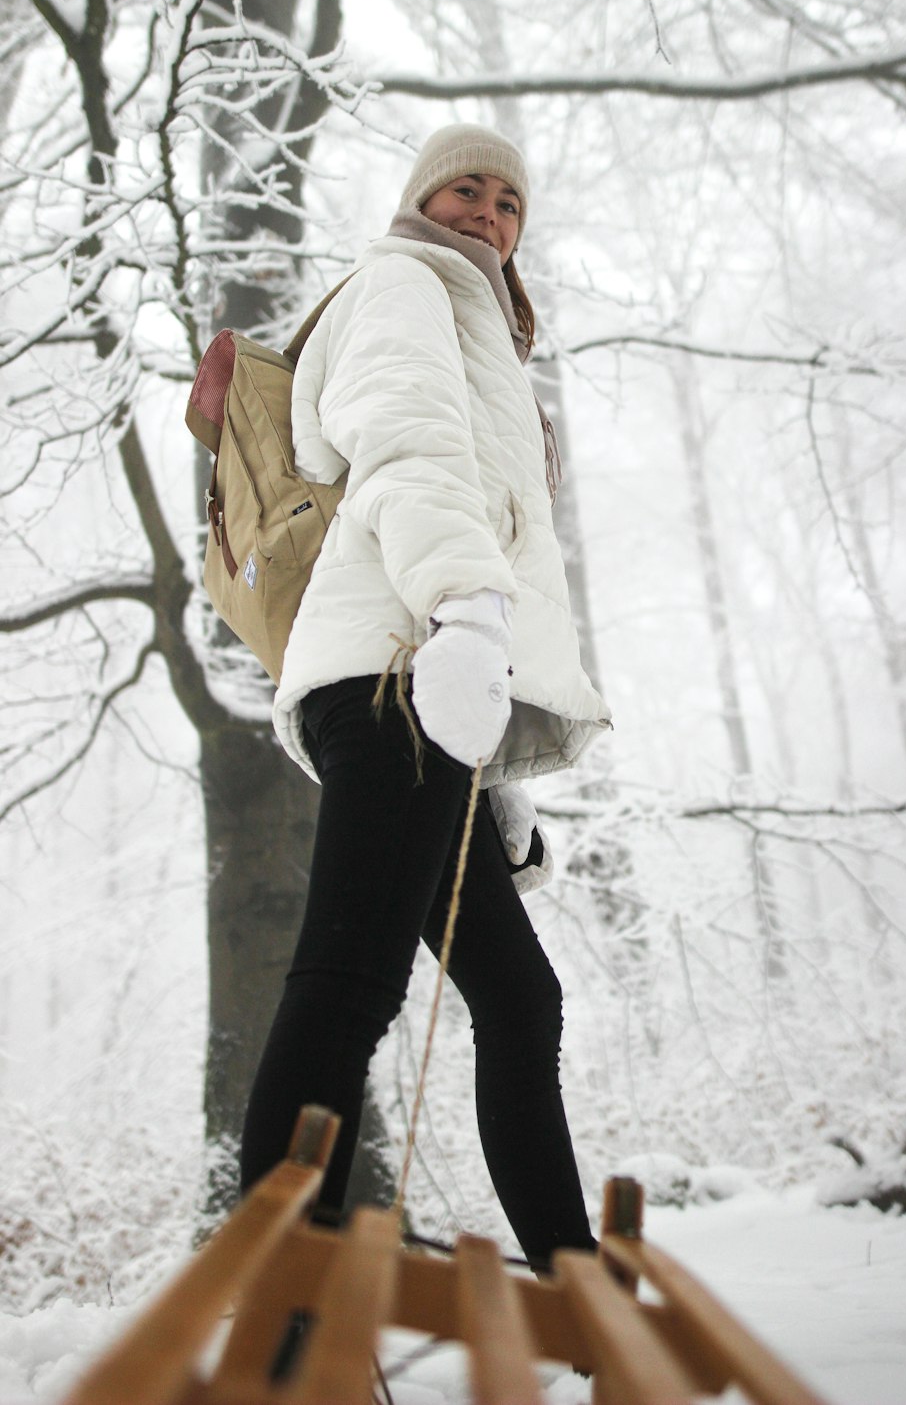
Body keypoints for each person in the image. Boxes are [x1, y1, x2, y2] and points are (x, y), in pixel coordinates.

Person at [239, 124, 612, 1272]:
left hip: (442, 688)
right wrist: (463, 613)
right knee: (352, 987)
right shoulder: (405, 283)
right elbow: (401, 447)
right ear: (420, 200)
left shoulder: (488, 339)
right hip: (404, 667)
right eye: (466, 187)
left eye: (510, 200)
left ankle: (570, 1276)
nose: (489, 212)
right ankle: (284, 1309)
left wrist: (494, 767)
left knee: (521, 999)